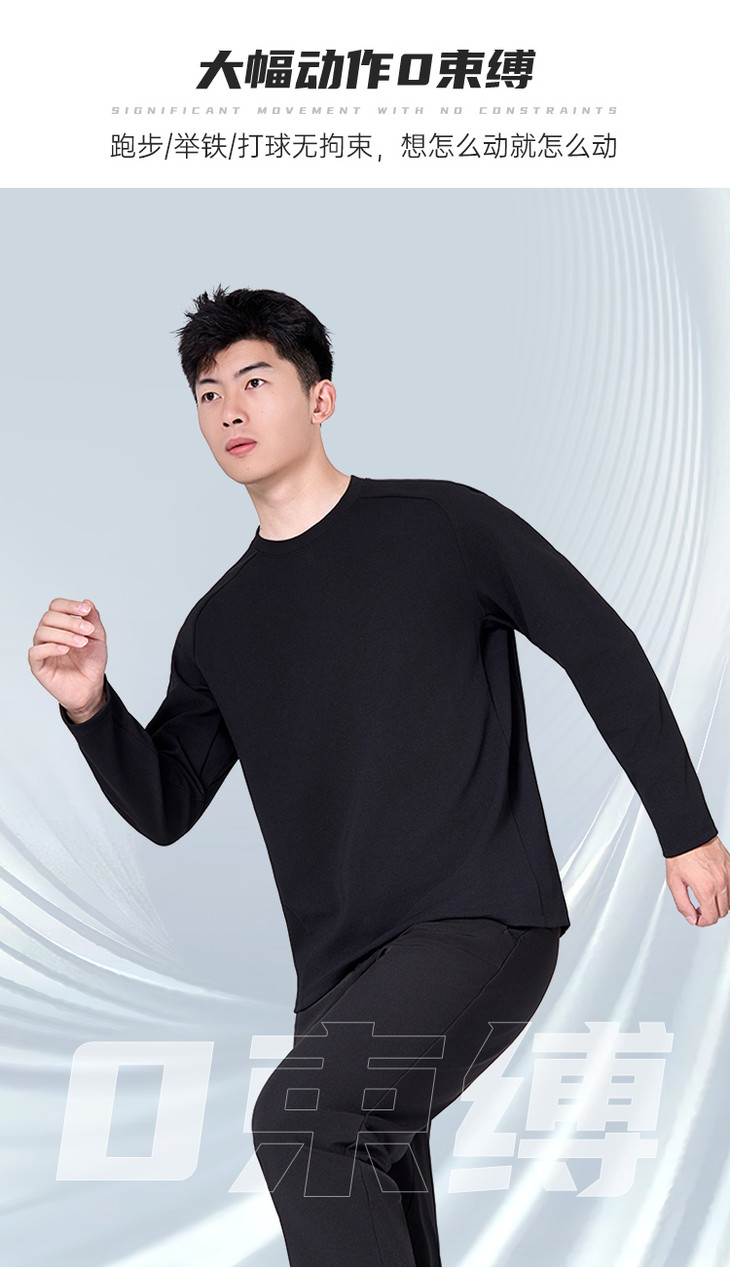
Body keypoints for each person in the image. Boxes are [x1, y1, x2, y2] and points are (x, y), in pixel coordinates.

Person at [29, 286, 729, 1268]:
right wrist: (90, 706)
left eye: (255, 381)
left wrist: (684, 828)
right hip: (336, 978)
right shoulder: (219, 626)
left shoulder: (443, 525)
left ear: (320, 398)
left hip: (480, 924)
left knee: (303, 1124)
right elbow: (166, 801)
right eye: (208, 392)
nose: (228, 409)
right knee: (360, 1194)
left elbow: (597, 646)